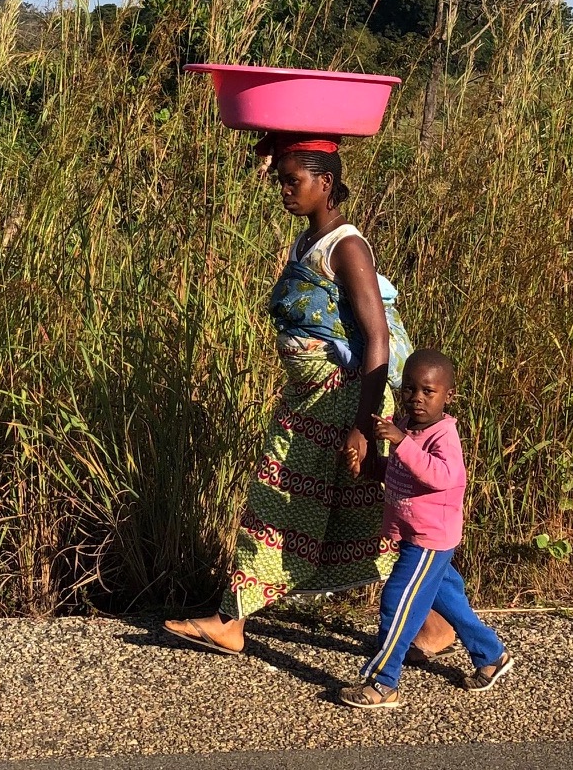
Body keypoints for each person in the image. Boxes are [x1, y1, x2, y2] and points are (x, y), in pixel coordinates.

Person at [163, 133, 453, 656]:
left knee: (288, 501)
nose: (284, 192)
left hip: (341, 402)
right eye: (281, 181)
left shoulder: (347, 247)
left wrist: (365, 426)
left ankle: (232, 619)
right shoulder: (308, 244)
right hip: (309, 401)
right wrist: (271, 143)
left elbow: (376, 339)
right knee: (370, 516)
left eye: (293, 182)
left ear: (326, 183)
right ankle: (435, 624)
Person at [339, 349, 514, 707]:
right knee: (447, 598)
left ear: (448, 395)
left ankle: (382, 681)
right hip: (413, 533)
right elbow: (401, 473)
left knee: (397, 601)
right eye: (409, 389)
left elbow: (443, 476)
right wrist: (371, 467)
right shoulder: (406, 428)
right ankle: (492, 654)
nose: (416, 399)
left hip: (430, 538)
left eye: (428, 392)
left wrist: (400, 443)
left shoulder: (442, 436)